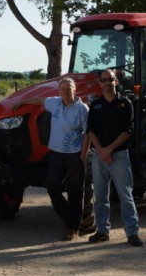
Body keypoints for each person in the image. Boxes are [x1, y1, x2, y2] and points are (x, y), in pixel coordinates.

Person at [13, 78, 90, 241]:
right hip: (56, 154)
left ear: (74, 90)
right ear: (59, 91)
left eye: (69, 88)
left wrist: (84, 154)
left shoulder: (82, 109)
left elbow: (88, 133)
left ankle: (72, 228)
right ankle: (70, 219)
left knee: (76, 191)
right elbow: (40, 100)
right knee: (52, 186)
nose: (65, 92)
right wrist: (22, 101)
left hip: (75, 155)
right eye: (62, 89)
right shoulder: (54, 103)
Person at [87, 69, 143, 246]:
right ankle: (102, 230)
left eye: (109, 79)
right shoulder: (95, 105)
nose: (106, 83)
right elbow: (90, 131)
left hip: (118, 155)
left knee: (125, 194)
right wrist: (101, 151)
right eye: (103, 80)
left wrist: (109, 150)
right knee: (100, 195)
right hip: (99, 156)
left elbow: (128, 131)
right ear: (100, 83)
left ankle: (132, 232)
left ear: (116, 82)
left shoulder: (125, 104)